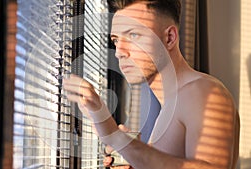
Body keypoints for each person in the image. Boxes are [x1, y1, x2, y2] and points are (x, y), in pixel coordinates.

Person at [63, 0, 240, 169]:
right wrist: (135, 158)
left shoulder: (203, 92)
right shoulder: (171, 105)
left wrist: (116, 138)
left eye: (133, 35)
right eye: (116, 40)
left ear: (169, 38)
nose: (119, 52)